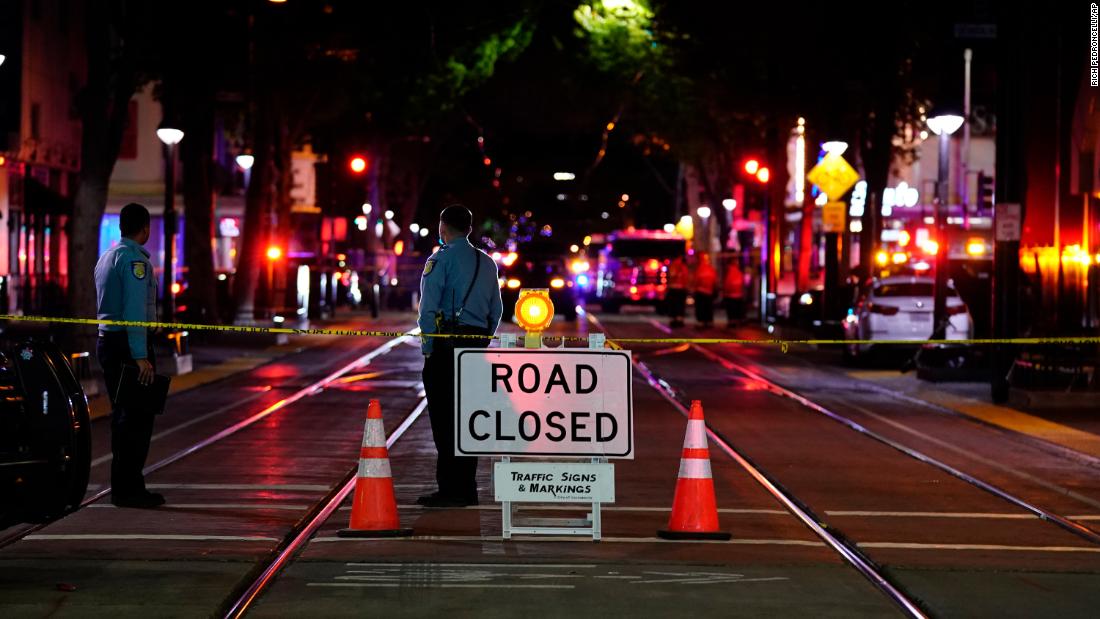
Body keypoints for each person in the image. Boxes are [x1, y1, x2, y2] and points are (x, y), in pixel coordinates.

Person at [417, 205, 503, 508]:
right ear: (469, 228)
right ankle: (468, 487)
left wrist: (429, 348)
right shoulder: (487, 262)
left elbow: (427, 311)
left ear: (443, 228)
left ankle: (449, 489)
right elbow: (497, 310)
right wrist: (482, 341)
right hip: (475, 345)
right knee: (469, 419)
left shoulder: (439, 260)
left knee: (443, 419)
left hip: (446, 345)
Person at [95, 203, 164, 508]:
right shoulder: (136, 262)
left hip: (108, 342)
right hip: (128, 345)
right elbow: (134, 311)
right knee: (137, 419)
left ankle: (123, 486)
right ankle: (130, 489)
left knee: (122, 418)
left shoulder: (107, 257)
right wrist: (140, 355)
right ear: (145, 228)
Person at [693, 253, 718, 328]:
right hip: (709, 292)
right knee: (708, 308)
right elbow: (714, 280)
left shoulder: (700, 269)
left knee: (701, 308)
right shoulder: (711, 269)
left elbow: (696, 280)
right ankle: (708, 321)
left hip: (700, 292)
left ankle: (701, 322)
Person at [666, 256, 689, 328]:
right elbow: (672, 276)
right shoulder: (678, 266)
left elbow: (685, 277)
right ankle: (676, 320)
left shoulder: (680, 266)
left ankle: (677, 320)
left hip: (677, 289)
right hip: (676, 289)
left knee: (678, 305)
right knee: (677, 305)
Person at [722, 258, 745, 327]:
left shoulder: (729, 271)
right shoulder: (739, 272)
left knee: (731, 310)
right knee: (737, 310)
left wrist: (725, 292)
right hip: (738, 294)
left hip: (731, 295)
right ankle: (737, 322)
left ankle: (732, 323)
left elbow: (727, 283)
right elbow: (742, 282)